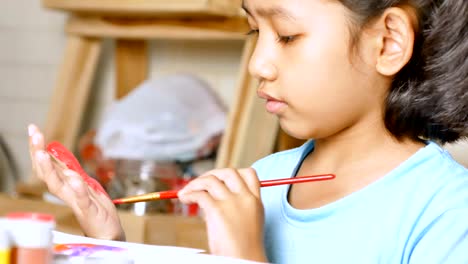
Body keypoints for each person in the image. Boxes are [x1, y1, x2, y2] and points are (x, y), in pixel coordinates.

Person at [28, 0, 468, 262]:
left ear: (388, 42)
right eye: (255, 31)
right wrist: (109, 242)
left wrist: (244, 257)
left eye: (288, 36)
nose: (257, 63)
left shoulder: (448, 211)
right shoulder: (263, 180)